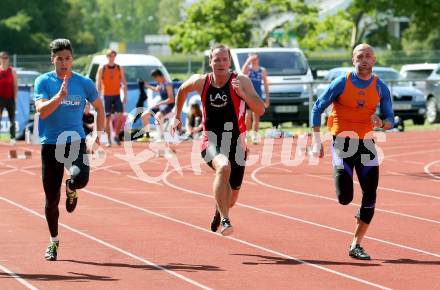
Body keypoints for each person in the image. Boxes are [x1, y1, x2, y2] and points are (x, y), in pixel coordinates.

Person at [311, 43, 394, 260]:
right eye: (360, 56)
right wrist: (316, 140)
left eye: (368, 56)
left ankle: (356, 244)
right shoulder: (341, 82)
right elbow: (317, 107)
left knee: (371, 193)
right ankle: (354, 209)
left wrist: (381, 122)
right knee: (345, 198)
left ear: (374, 60)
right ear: (353, 60)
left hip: (366, 144)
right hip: (342, 143)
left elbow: (390, 119)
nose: (364, 59)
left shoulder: (380, 87)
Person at [171, 44, 265, 235]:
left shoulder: (241, 81)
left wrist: (244, 95)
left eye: (224, 59)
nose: (221, 63)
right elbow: (181, 90)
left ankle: (219, 208)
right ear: (210, 62)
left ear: (229, 61)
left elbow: (260, 109)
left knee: (231, 199)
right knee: (223, 167)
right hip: (211, 140)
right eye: (217, 60)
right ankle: (225, 219)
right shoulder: (201, 82)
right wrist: (176, 115)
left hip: (237, 143)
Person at [34, 39, 105, 261]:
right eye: (59, 59)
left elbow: (100, 109)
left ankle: (71, 188)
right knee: (51, 200)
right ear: (52, 60)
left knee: (80, 178)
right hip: (51, 144)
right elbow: (42, 112)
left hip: (75, 141)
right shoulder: (43, 82)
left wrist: (97, 136)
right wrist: (59, 97)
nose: (64, 63)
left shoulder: (84, 83)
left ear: (72, 59)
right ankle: (53, 241)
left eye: (67, 58)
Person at [96, 49, 127, 147]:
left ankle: (116, 136)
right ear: (107, 57)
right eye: (110, 56)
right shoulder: (102, 68)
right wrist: (98, 95)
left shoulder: (119, 67)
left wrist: (125, 95)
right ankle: (109, 140)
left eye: (113, 56)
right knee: (107, 118)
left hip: (117, 95)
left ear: (115, 57)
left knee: (120, 116)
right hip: (106, 96)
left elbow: (123, 81)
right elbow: (98, 82)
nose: (111, 58)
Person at [241, 52, 269, 144]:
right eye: (252, 59)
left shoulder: (262, 70)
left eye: (255, 58)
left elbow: (265, 84)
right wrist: (248, 60)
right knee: (247, 116)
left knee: (256, 117)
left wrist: (267, 98)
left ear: (258, 59)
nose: (253, 60)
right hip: (248, 96)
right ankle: (247, 134)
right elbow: (243, 71)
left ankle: (255, 136)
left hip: (258, 96)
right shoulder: (248, 69)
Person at [139, 69, 174, 141]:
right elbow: (156, 89)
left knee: (158, 116)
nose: (155, 80)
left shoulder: (168, 84)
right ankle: (147, 136)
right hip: (161, 105)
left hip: (169, 106)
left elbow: (171, 99)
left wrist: (160, 103)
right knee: (144, 115)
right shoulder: (160, 84)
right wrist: (146, 85)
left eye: (155, 78)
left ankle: (162, 137)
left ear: (159, 76)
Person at [0, 51, 18, 145]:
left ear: (8, 59)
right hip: (0, 99)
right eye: (2, 57)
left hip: (10, 98)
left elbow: (15, 85)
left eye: (6, 57)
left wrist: (15, 98)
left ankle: (13, 138)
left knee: (12, 120)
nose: (4, 59)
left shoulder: (12, 71)